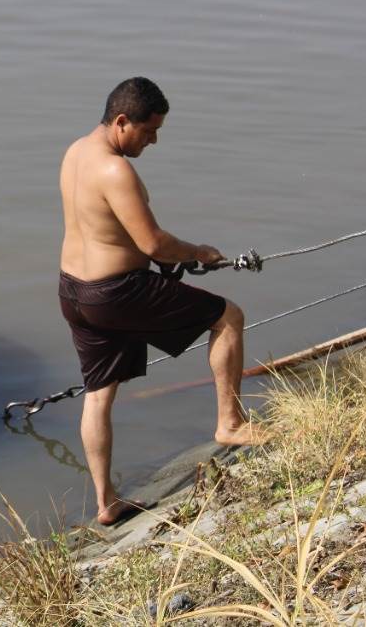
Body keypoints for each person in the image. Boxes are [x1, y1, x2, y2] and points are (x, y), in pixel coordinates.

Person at [58, 77, 267, 526]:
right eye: (148, 131)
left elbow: (108, 232)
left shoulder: (76, 152)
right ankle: (229, 423)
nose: (152, 141)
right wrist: (198, 252)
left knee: (98, 396)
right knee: (228, 316)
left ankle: (106, 503)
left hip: (74, 290)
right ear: (121, 121)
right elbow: (151, 243)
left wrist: (168, 262)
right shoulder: (117, 170)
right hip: (117, 292)